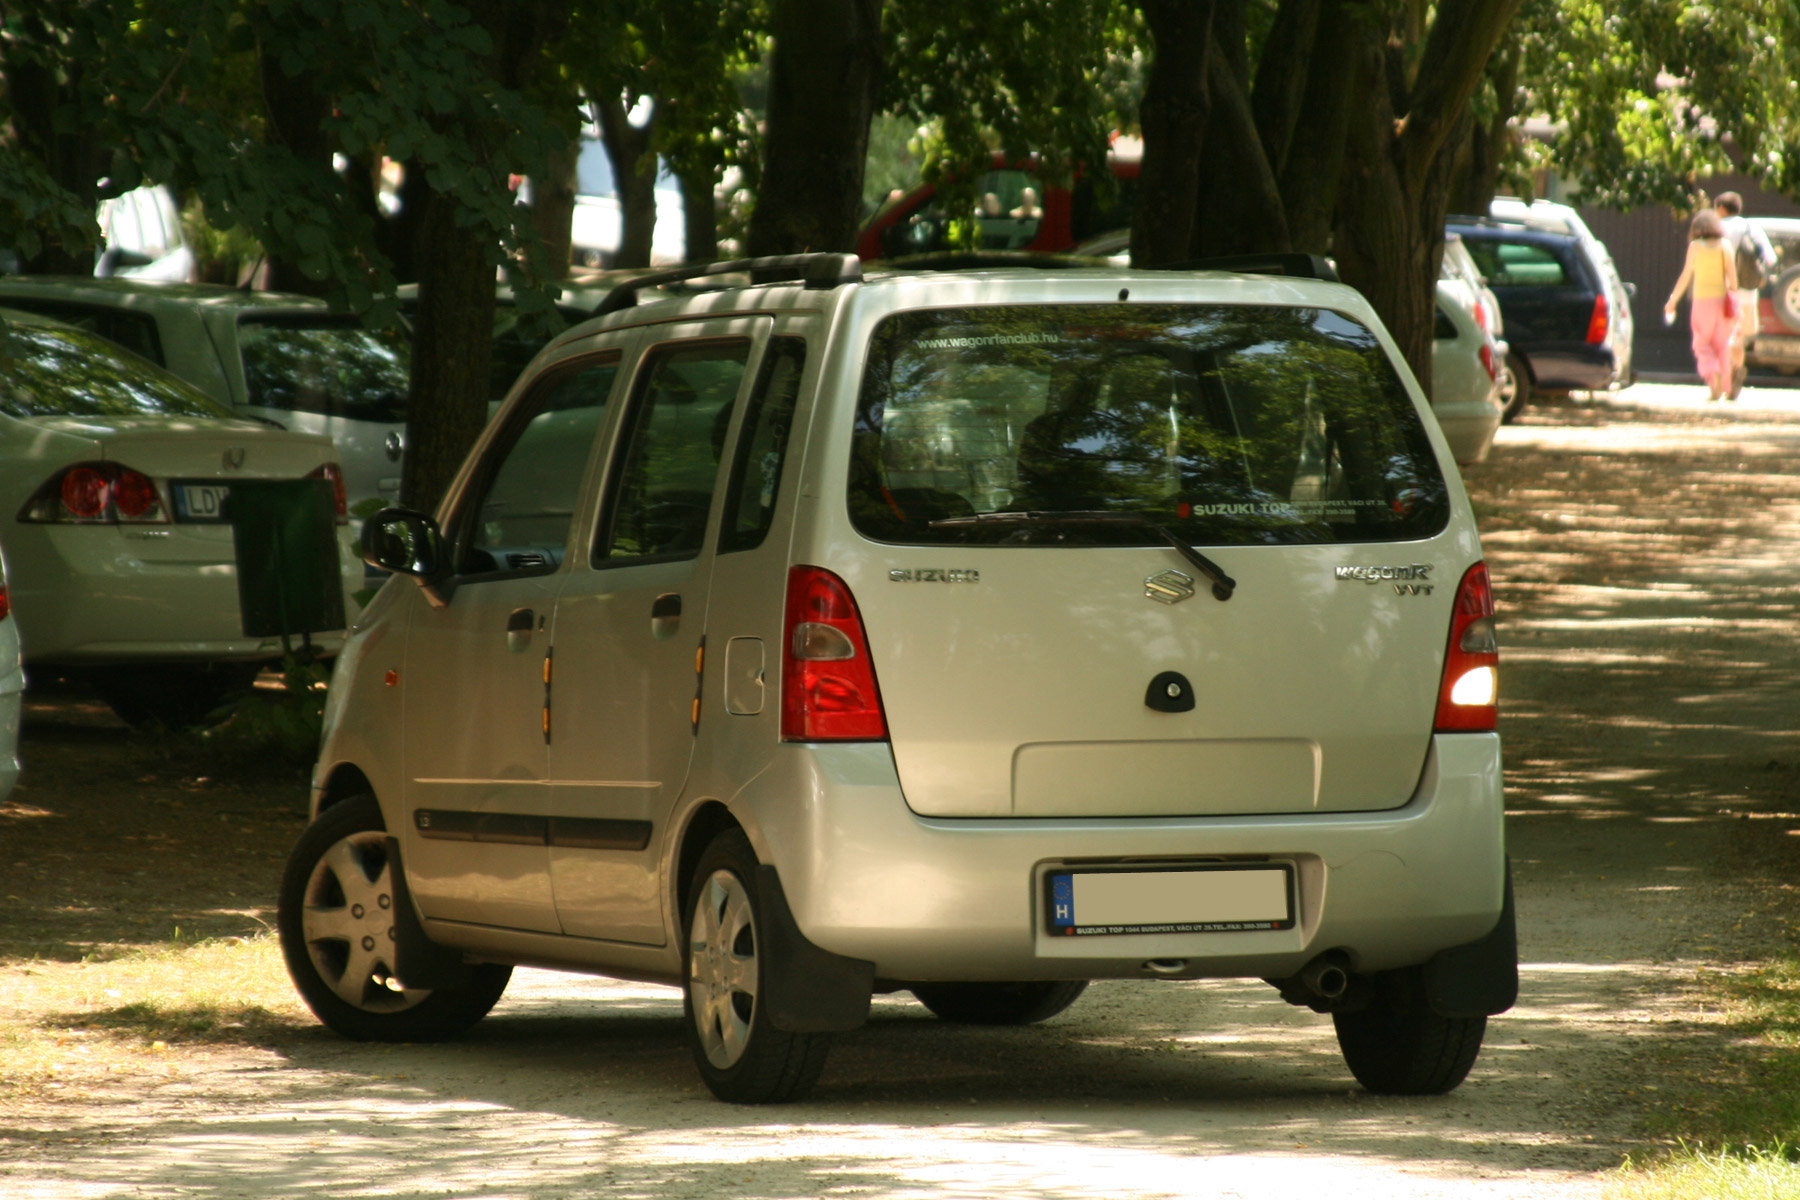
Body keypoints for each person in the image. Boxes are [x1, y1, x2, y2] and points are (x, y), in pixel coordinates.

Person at [1664, 209, 1739, 401]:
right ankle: (1726, 387)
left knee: (1702, 344)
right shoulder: (1725, 246)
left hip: (1702, 303)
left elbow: (1685, 275)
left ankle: (1713, 382)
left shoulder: (1695, 247)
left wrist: (1673, 300)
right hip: (1722, 304)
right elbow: (1733, 281)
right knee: (1722, 346)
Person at [1714, 191, 1777, 399]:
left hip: (1721, 291)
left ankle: (1720, 381)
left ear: (1721, 208)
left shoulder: (1718, 228)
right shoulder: (1753, 227)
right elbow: (1770, 259)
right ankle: (1736, 372)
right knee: (1738, 338)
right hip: (1748, 293)